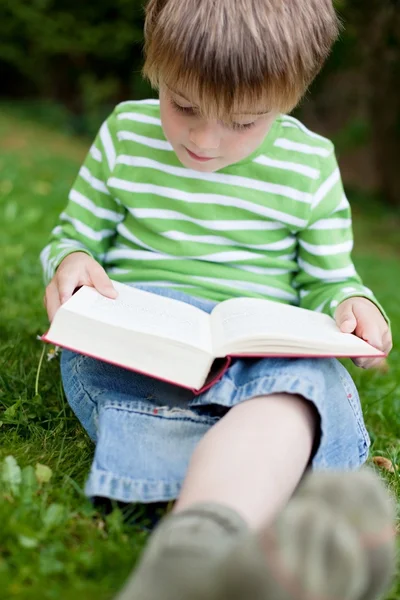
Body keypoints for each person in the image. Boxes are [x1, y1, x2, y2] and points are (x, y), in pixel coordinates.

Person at [41, 0, 396, 598]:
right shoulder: (126, 134)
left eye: (244, 121)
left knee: (300, 391)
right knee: (153, 399)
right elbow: (73, 239)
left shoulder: (309, 165)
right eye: (183, 106)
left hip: (260, 344)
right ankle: (234, 534)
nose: (204, 141)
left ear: (291, 96)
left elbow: (330, 279)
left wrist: (353, 304)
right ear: (156, 64)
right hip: (144, 335)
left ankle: (190, 554)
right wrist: (73, 264)